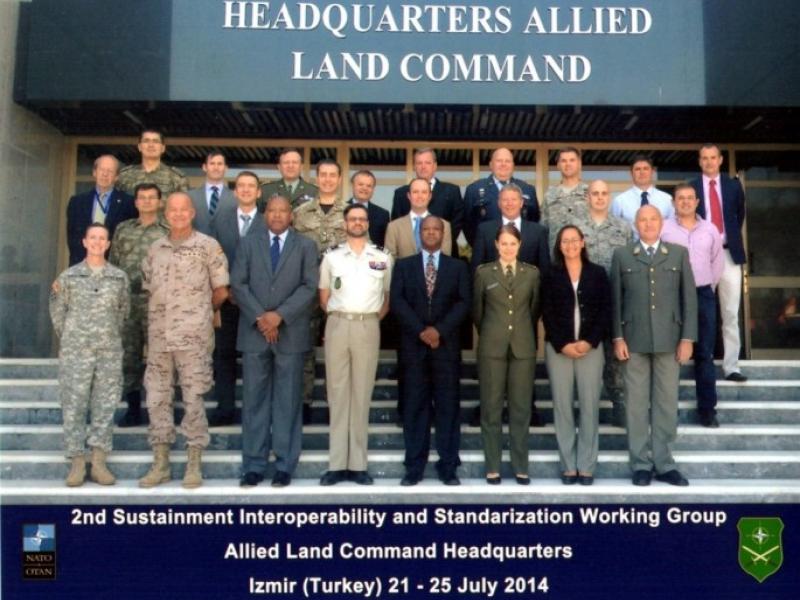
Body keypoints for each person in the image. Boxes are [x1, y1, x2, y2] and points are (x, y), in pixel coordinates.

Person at [139, 192, 229, 489]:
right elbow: (148, 288)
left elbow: (221, 290)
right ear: (166, 214)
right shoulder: (155, 248)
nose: (178, 214)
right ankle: (161, 463)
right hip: (159, 338)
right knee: (157, 397)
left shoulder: (207, 246)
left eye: (183, 209)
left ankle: (193, 463)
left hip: (193, 338)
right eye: (173, 210)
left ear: (192, 213)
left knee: (193, 398)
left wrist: (199, 313)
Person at [231, 193, 319, 488]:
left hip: (289, 333)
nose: (277, 215)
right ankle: (253, 465)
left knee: (287, 401)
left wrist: (279, 316)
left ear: (291, 216)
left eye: (283, 211)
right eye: (272, 210)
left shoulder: (305, 246)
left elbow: (309, 287)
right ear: (264, 214)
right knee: (254, 401)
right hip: (255, 334)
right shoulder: (247, 243)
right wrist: (262, 317)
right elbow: (238, 284)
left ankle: (284, 464)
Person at [611, 205, 697, 487]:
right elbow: (616, 301)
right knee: (635, 405)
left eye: (653, 219)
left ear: (661, 223)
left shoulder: (678, 253)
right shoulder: (623, 254)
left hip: (670, 340)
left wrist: (687, 338)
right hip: (633, 340)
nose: (648, 224)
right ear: (636, 224)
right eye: (643, 220)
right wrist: (617, 337)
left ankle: (664, 463)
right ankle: (640, 464)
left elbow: (689, 299)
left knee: (666, 404)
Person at [391, 215, 470, 486]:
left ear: (444, 234)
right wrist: (421, 331)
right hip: (414, 349)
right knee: (415, 408)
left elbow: (463, 303)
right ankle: (414, 467)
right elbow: (397, 301)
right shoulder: (403, 266)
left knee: (448, 408)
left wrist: (439, 331)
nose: (432, 233)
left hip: (445, 348)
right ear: (419, 234)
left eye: (437, 229)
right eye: (426, 229)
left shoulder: (458, 267)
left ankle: (448, 466)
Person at [318, 203, 393, 485]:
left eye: (362, 219)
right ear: (345, 223)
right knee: (337, 394)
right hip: (338, 323)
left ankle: (358, 465)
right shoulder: (332, 257)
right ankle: (337, 464)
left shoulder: (383, 257)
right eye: (353, 219)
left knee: (362, 394)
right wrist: (342, 316)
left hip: (368, 325)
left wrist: (367, 319)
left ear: (368, 223)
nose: (358, 223)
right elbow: (323, 296)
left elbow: (386, 298)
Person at [50, 223, 129, 486]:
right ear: (84, 242)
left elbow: (123, 313)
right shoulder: (68, 277)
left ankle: (98, 461)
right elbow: (58, 314)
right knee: (74, 404)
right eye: (92, 238)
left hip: (108, 351)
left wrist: (106, 336)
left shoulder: (119, 278)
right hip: (76, 352)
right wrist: (74, 339)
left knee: (105, 405)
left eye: (102, 238)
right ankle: (76, 461)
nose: (97, 242)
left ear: (108, 244)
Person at [470, 182, 550, 427]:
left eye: (514, 199)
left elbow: (544, 273)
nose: (509, 203)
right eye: (505, 199)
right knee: (491, 373)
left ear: (522, 203)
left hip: (525, 315)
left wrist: (532, 315)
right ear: (498, 202)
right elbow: (476, 272)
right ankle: (487, 408)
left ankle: (528, 408)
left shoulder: (537, 231)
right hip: (493, 316)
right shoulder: (485, 229)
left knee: (523, 369)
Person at [542, 225, 610, 486]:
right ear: (559, 246)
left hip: (590, 349)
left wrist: (589, 341)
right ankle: (569, 466)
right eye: (564, 241)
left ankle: (586, 465)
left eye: (574, 240)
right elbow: (546, 311)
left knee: (589, 406)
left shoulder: (598, 273)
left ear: (583, 242)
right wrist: (563, 344)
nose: (570, 245)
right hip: (559, 349)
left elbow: (605, 310)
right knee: (563, 407)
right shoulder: (550, 274)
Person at [473, 224, 540, 485]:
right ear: (496, 245)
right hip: (492, 346)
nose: (508, 248)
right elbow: (478, 312)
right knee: (491, 408)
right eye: (504, 243)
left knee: (520, 408)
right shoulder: (484, 273)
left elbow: (534, 310)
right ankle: (493, 466)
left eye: (513, 243)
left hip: (522, 347)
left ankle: (520, 466)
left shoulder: (531, 273)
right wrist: (494, 333)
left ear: (519, 245)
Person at [661, 184, 724, 428]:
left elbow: (717, 263)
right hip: (671, 295)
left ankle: (707, 410)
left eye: (690, 198)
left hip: (702, 294)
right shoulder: (664, 228)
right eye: (681, 198)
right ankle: (667, 411)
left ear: (697, 202)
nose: (685, 202)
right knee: (668, 353)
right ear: (673, 202)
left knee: (704, 353)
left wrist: (707, 287)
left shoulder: (710, 229)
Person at [572, 180, 632, 427]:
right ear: (587, 197)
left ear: (609, 197)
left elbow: (629, 265)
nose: (599, 197)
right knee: (583, 358)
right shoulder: (575, 228)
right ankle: (584, 411)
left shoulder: (623, 228)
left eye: (604, 193)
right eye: (594, 193)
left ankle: (620, 406)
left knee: (615, 360)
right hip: (583, 304)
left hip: (614, 301)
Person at [108, 183, 169, 426]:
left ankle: (158, 411)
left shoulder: (168, 229)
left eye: (151, 197)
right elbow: (114, 263)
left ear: (160, 202)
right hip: (129, 303)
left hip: (158, 303)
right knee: (129, 357)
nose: (146, 201)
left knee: (160, 358)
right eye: (142, 198)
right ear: (135, 202)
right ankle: (133, 409)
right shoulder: (123, 229)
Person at [208, 171, 264, 425]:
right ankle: (225, 408)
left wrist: (247, 294)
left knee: (256, 357)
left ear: (258, 192)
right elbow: (213, 258)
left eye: (251, 186)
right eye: (241, 186)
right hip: (227, 299)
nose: (246, 190)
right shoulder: (220, 221)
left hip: (257, 302)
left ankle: (255, 410)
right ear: (235, 192)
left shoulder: (268, 221)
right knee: (224, 355)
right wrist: (225, 288)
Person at [293, 159, 347, 423]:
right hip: (308, 289)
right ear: (316, 178)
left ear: (339, 179)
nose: (327, 179)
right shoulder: (301, 212)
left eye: (332, 175)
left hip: (340, 292)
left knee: (337, 352)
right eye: (323, 175)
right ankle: (303, 402)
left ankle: (333, 403)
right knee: (304, 348)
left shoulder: (350, 211)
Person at [690, 143, 748, 382]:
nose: (709, 162)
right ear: (699, 161)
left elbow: (738, 215)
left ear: (721, 160)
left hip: (728, 254)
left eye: (713, 157)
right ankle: (701, 361)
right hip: (702, 256)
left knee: (730, 312)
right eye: (704, 158)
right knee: (701, 311)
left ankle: (731, 366)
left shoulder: (733, 186)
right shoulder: (692, 186)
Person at [66, 155, 136, 265]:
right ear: (94, 172)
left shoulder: (128, 203)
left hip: (114, 266)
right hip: (83, 265)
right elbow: (72, 238)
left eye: (110, 171)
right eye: (102, 170)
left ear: (116, 177)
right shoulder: (77, 202)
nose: (105, 174)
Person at [391, 148, 464, 255]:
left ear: (435, 166)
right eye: (419, 163)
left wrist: (437, 243)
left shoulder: (451, 191)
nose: (423, 166)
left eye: (427, 163)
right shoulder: (401, 193)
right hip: (408, 255)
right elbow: (396, 225)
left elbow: (457, 223)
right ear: (414, 166)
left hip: (444, 255)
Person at [463, 148, 539, 246]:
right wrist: (480, 246)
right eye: (499, 161)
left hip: (521, 249)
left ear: (513, 165)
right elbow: (467, 225)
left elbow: (534, 220)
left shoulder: (527, 189)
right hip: (487, 249)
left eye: (507, 161)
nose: (503, 164)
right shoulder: (474, 189)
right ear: (491, 165)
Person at [385, 178, 453, 259]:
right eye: (415, 192)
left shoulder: (444, 225)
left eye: (424, 192)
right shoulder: (394, 227)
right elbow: (390, 260)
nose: (419, 196)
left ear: (430, 196)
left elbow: (445, 259)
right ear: (409, 196)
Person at [611, 155, 674, 235]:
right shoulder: (620, 201)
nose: (642, 172)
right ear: (631, 173)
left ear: (652, 172)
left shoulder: (667, 199)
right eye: (637, 169)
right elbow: (614, 230)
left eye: (645, 168)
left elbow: (673, 229)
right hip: (630, 243)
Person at [541, 147, 589, 252]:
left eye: (572, 160)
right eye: (563, 161)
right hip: (556, 256)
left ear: (579, 164)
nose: (568, 164)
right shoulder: (550, 196)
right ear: (558, 165)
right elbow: (543, 229)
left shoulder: (590, 193)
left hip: (585, 256)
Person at [116, 129, 188, 196]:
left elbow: (183, 203)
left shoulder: (176, 177)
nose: (151, 145)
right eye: (146, 141)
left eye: (156, 141)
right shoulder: (124, 175)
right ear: (139, 147)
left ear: (163, 148)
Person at [188, 151, 236, 235]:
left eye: (220, 164)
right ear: (204, 167)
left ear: (226, 168)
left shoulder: (236, 197)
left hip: (227, 243)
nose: (216, 168)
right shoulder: (190, 196)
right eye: (212, 163)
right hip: (197, 243)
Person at [348, 169, 390, 247]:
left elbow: (385, 244)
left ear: (373, 189)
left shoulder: (383, 215)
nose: (364, 188)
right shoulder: (341, 210)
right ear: (352, 186)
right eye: (360, 184)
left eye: (369, 186)